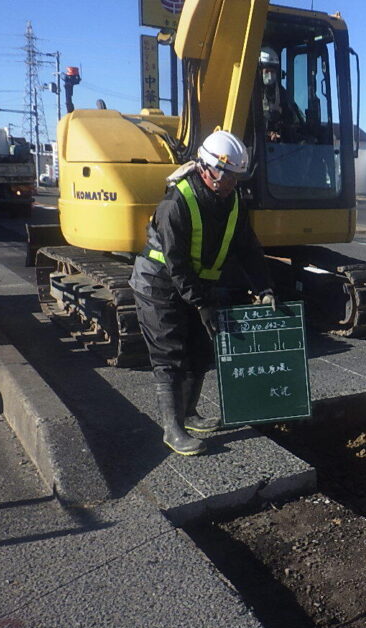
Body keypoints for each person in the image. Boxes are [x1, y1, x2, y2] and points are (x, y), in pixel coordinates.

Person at [129, 130, 275, 456]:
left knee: (200, 351)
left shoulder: (232, 200)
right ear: (206, 169)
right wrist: (202, 303)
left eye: (236, 177)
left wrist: (263, 286)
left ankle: (190, 413)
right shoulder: (176, 203)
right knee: (170, 356)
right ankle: (172, 428)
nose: (231, 183)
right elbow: (177, 264)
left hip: (196, 284)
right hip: (159, 284)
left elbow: (248, 247)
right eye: (226, 176)